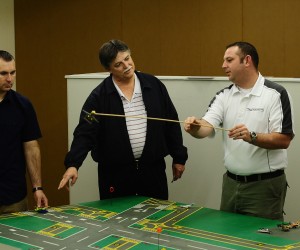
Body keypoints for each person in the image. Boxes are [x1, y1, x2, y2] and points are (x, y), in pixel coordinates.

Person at [58, 39, 188, 200]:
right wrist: (73, 164)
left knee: (155, 221)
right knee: (118, 223)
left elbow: (171, 123)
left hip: (152, 170)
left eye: (127, 59)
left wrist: (179, 157)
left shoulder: (154, 85)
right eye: (118, 64)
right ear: (108, 69)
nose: (127, 66)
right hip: (115, 174)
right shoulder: (98, 97)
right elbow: (84, 134)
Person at [184, 41, 294, 221]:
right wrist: (195, 127)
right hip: (231, 184)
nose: (223, 66)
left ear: (247, 60)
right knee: (228, 239)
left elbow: (284, 140)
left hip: (264, 187)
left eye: (229, 60)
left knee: (261, 244)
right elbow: (206, 127)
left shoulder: (276, 94)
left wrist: (252, 137)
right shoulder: (223, 96)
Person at [0, 50, 48, 214]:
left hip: (13, 197)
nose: (9, 79)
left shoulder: (23, 105)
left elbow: (31, 148)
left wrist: (37, 187)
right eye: (3, 73)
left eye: (12, 73)